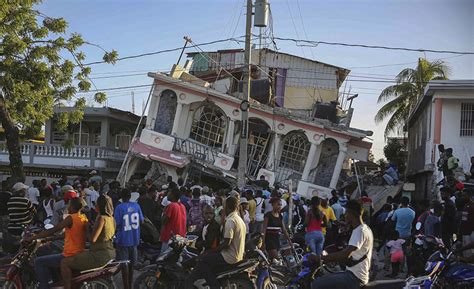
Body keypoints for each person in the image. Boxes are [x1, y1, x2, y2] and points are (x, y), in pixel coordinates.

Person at [310, 200, 374, 289]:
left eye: (347, 213)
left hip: (355, 277)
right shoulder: (365, 228)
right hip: (353, 273)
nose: (345, 216)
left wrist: (321, 258)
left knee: (317, 284)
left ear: (351, 214)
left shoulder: (360, 231)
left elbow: (345, 255)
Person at [25, 198, 88, 289]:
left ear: (73, 207)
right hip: (78, 252)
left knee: (39, 261)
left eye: (69, 205)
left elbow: (54, 229)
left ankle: (43, 287)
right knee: (50, 258)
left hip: (69, 254)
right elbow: (68, 233)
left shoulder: (71, 218)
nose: (68, 207)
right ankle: (56, 283)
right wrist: (51, 238)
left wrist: (32, 237)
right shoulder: (83, 217)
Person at [185, 196, 246, 289]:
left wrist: (211, 251)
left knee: (202, 261)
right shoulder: (239, 219)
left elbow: (226, 243)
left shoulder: (230, 221)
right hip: (237, 255)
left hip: (229, 256)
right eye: (206, 213)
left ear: (226, 207)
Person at [60, 195, 116, 289]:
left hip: (99, 255)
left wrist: (86, 228)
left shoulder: (101, 218)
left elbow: (92, 239)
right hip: (110, 252)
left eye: (96, 204)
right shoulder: (111, 218)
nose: (95, 206)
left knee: (65, 262)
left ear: (100, 206)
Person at [114, 188, 144, 289]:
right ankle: (130, 285)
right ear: (130, 196)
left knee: (124, 265)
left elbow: (117, 224)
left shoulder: (119, 207)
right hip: (134, 239)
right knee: (132, 265)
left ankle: (126, 286)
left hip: (123, 239)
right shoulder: (136, 206)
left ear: (121, 197)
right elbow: (142, 221)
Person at [160, 187, 186, 254]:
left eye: (169, 192)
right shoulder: (182, 206)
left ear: (173, 195)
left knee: (163, 259)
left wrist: (164, 211)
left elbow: (164, 221)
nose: (167, 194)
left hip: (170, 238)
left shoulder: (171, 206)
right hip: (180, 238)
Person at [459, 189, 474, 258]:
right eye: (462, 196)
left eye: (465, 196)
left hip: (470, 233)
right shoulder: (465, 206)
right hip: (464, 233)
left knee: (469, 254)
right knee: (465, 253)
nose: (463, 197)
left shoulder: (472, 206)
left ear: (470, 196)